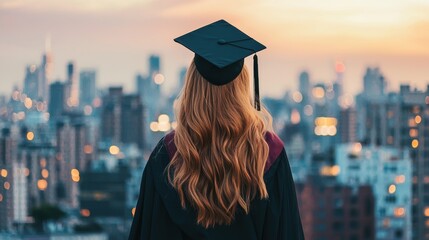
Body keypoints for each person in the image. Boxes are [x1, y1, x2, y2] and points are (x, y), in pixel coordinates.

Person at [128, 19, 304, 240]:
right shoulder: (268, 152)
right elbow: (286, 232)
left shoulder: (166, 155)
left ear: (192, 85)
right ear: (242, 86)